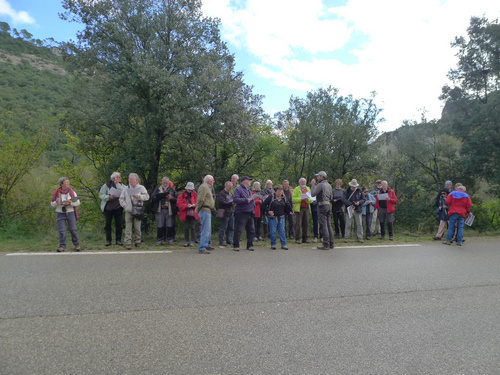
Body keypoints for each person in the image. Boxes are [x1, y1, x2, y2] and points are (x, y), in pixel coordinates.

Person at [119, 173, 149, 250]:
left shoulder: (141, 188)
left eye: (131, 179)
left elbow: (147, 197)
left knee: (137, 227)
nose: (130, 180)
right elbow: (121, 199)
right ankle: (128, 243)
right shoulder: (126, 188)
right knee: (128, 228)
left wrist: (138, 196)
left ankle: (138, 242)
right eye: (129, 179)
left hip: (138, 210)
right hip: (128, 211)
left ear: (136, 180)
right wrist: (125, 206)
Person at [51, 177, 81, 252]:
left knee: (73, 229)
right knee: (62, 231)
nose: (68, 183)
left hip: (70, 212)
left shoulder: (72, 192)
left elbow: (78, 203)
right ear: (61, 184)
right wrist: (56, 202)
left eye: (68, 182)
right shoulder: (56, 193)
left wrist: (70, 202)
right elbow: (52, 204)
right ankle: (62, 246)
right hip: (60, 213)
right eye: (66, 182)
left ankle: (77, 244)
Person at [262, 184, 292, 250]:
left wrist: (290, 211)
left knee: (282, 231)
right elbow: (263, 205)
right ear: (275, 191)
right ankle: (273, 244)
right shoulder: (271, 197)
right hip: (273, 217)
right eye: (278, 191)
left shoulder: (284, 198)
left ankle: (283, 244)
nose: (280, 192)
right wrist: (268, 211)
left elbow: (288, 206)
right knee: (273, 231)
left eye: (281, 191)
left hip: (281, 216)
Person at [99, 171, 126, 246]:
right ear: (113, 178)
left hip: (118, 207)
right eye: (118, 177)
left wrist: (117, 184)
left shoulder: (122, 185)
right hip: (108, 208)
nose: (119, 179)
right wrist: (108, 197)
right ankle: (108, 240)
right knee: (108, 225)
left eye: (119, 177)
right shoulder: (106, 186)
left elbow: (125, 192)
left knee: (119, 224)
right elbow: (101, 195)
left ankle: (118, 240)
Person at [310, 171, 334, 250]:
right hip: (328, 205)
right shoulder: (329, 185)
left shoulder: (321, 184)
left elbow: (313, 194)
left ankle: (326, 244)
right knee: (329, 224)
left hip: (322, 206)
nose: (317, 178)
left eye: (318, 176)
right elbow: (331, 197)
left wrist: (313, 185)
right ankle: (331, 243)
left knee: (323, 225)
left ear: (322, 177)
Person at [232, 176, 257, 251]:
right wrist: (246, 200)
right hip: (242, 212)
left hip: (250, 212)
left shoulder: (248, 190)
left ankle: (250, 245)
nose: (250, 182)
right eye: (249, 180)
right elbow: (235, 199)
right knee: (238, 230)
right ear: (244, 181)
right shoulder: (239, 189)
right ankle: (236, 245)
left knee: (251, 230)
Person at [152, 177, 178, 245]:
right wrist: (159, 196)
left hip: (169, 209)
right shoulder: (158, 189)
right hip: (160, 209)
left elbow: (177, 198)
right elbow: (153, 198)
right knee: (160, 225)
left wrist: (171, 198)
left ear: (168, 183)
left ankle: (169, 239)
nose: (165, 184)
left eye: (166, 183)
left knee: (169, 224)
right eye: (164, 183)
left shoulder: (172, 190)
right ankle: (159, 240)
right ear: (162, 182)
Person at [195, 175, 215, 254]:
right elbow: (200, 199)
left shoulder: (207, 188)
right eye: (213, 180)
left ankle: (207, 244)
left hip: (208, 210)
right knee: (205, 230)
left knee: (208, 230)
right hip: (204, 209)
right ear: (209, 181)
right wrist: (197, 209)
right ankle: (202, 247)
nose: (213, 182)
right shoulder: (204, 187)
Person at [176, 182, 198, 247]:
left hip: (193, 213)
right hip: (185, 213)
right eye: (189, 189)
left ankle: (193, 241)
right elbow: (179, 203)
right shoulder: (181, 195)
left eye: (191, 189)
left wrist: (195, 205)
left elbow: (199, 202)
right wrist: (186, 206)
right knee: (186, 227)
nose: (190, 190)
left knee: (193, 227)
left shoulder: (196, 194)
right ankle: (187, 241)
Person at [292, 178, 313, 244]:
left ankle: (305, 238)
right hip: (299, 208)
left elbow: (312, 199)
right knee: (298, 224)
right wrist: (301, 199)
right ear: (299, 183)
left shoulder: (308, 189)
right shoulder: (296, 189)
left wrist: (307, 200)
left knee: (306, 223)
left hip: (306, 208)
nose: (303, 183)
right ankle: (297, 238)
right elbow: (293, 199)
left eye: (304, 181)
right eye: (301, 182)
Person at [218, 181, 234, 246]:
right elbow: (221, 202)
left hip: (231, 212)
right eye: (229, 187)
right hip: (225, 212)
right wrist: (230, 203)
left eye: (231, 187)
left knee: (231, 227)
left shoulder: (231, 194)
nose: (230, 188)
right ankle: (221, 240)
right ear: (226, 186)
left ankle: (229, 240)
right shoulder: (221, 193)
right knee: (223, 227)